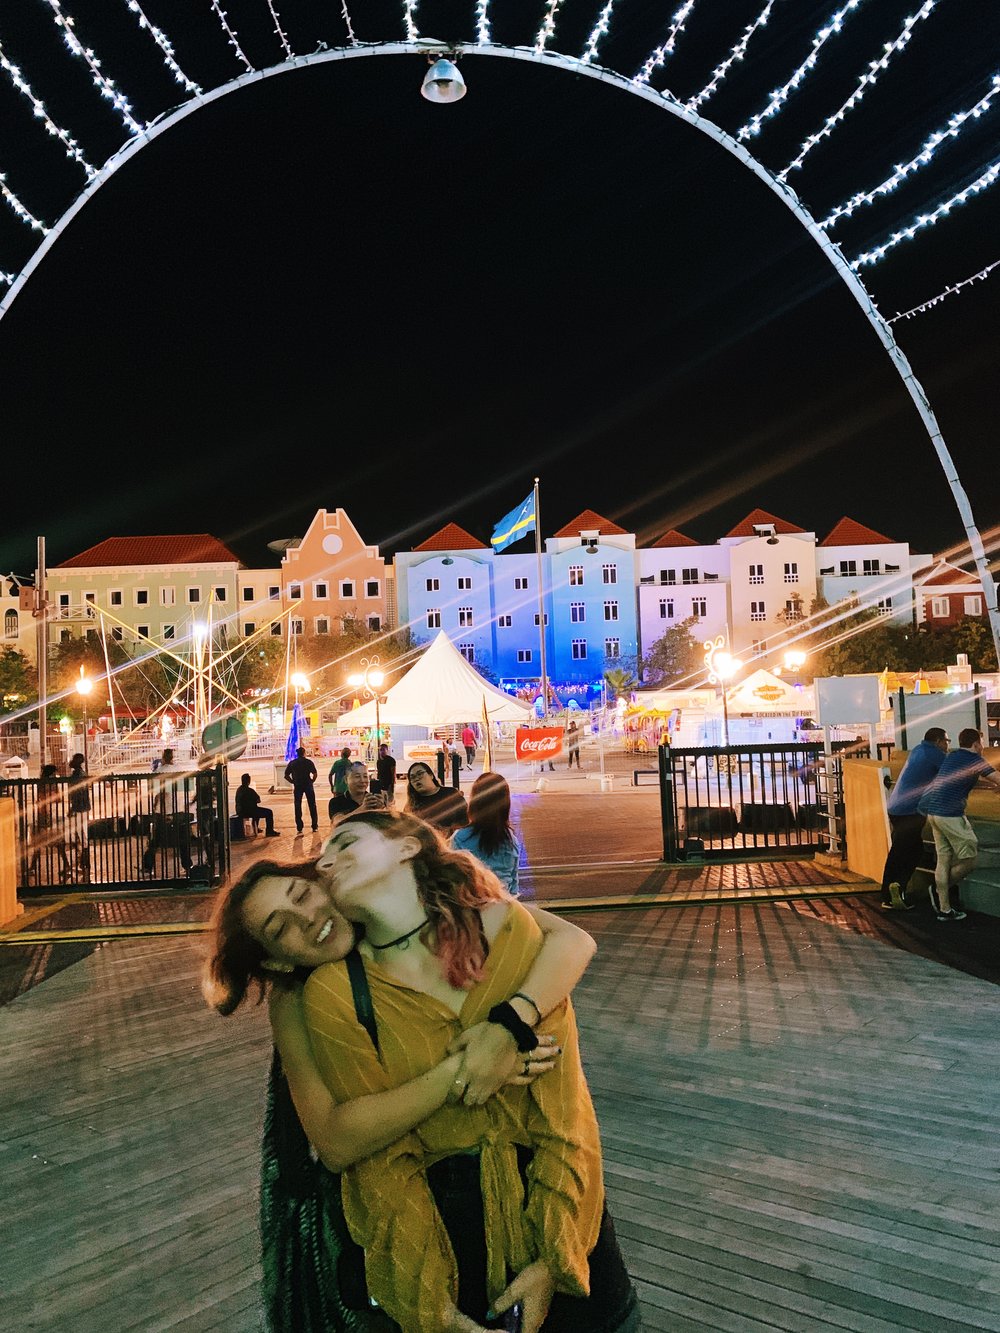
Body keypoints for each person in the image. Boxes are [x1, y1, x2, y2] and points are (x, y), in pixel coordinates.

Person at [204, 846, 600, 1333]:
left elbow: (569, 938)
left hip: (536, 1177)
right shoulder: (299, 999)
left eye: (302, 894)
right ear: (279, 963)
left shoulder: (414, 914)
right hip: (410, 1212)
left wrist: (507, 1025)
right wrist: (467, 1068)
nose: (307, 919)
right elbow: (334, 1140)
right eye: (281, 928)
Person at [298, 809, 639, 1333]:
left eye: (344, 842)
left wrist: (554, 1260)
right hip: (439, 1238)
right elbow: (380, 1162)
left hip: (564, 1220)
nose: (324, 860)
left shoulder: (509, 932)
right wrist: (429, 1302)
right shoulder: (336, 992)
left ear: (408, 847)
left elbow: (564, 1113)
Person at [918, 726, 1000, 921]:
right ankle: (941, 889)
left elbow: (964, 780)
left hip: (934, 813)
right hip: (950, 815)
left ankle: (944, 909)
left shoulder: (952, 757)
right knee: (970, 858)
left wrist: (990, 785)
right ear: (976, 744)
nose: (983, 747)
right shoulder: (974, 759)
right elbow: (997, 777)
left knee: (944, 859)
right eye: (981, 743)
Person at [878, 726, 949, 910]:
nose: (948, 745)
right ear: (939, 741)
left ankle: (891, 891)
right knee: (907, 852)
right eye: (946, 741)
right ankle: (894, 892)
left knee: (904, 850)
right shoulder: (935, 753)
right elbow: (954, 771)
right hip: (909, 810)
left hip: (895, 806)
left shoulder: (918, 750)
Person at [452, 772, 522, 896]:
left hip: (473, 909)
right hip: (504, 907)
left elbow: (454, 883)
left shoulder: (460, 838)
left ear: (474, 802)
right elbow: (514, 889)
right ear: (505, 805)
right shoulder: (511, 841)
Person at [143, 747, 193, 873]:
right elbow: (186, 789)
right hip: (179, 809)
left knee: (156, 840)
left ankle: (148, 866)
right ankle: (187, 865)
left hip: (164, 810)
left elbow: (160, 792)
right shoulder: (179, 769)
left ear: (163, 757)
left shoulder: (160, 771)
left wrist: (155, 805)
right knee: (183, 840)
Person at [29, 762, 71, 883]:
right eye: (54, 773)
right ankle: (66, 864)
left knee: (40, 843)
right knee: (57, 843)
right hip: (49, 816)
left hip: (44, 816)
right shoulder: (51, 784)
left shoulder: (42, 783)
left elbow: (43, 799)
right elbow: (57, 799)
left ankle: (32, 867)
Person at [404, 760, 468, 835]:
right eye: (412, 777)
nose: (416, 779)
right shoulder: (411, 805)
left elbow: (465, 819)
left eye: (420, 774)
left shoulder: (451, 794)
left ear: (431, 775)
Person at [67, 751, 91, 875]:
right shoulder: (82, 773)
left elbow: (74, 793)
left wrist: (71, 807)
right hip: (83, 806)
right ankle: (83, 861)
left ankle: (84, 861)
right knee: (82, 834)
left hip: (79, 807)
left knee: (81, 835)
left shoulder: (76, 775)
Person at [285, 745, 319, 833]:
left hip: (298, 786)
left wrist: (293, 781)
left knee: (297, 806)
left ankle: (299, 827)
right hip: (308, 785)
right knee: (312, 805)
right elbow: (315, 773)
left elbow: (286, 775)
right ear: (304, 753)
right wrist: (312, 780)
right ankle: (314, 825)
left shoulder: (292, 763)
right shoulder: (308, 762)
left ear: (297, 754)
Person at [235, 772, 280, 837]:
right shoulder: (250, 790)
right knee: (269, 812)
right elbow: (258, 800)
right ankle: (269, 831)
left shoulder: (239, 789)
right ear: (249, 781)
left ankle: (256, 828)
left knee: (256, 811)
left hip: (241, 811)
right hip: (250, 811)